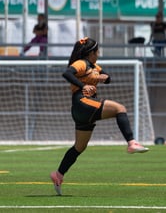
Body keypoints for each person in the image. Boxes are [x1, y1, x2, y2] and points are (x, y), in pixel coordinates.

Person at [50, 37, 149, 196]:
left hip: (81, 109)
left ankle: (58, 174)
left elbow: (107, 78)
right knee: (119, 108)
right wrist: (84, 85)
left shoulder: (94, 66)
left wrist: (101, 77)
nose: (99, 53)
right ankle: (131, 143)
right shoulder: (81, 63)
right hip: (82, 101)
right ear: (91, 53)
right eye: (97, 51)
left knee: (79, 147)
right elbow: (67, 73)